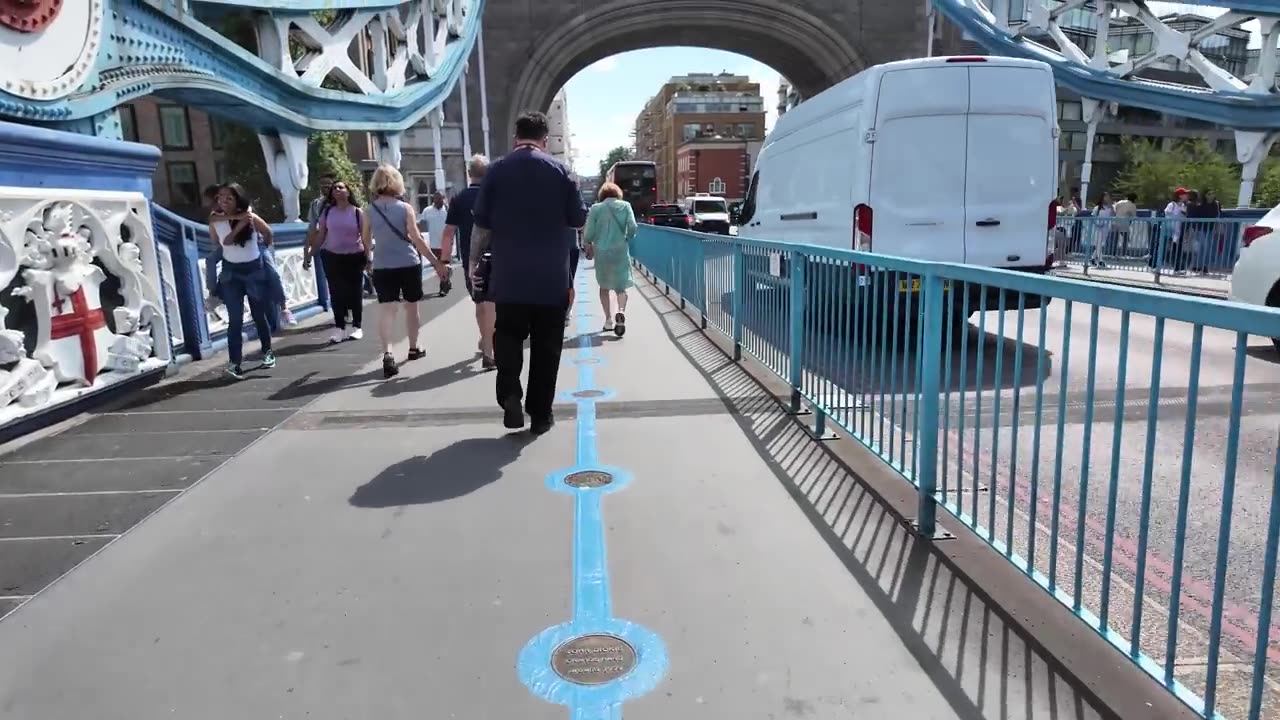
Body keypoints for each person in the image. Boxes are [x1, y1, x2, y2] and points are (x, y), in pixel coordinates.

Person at [470, 111, 588, 435]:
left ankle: (510, 392)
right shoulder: (562, 172)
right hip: (552, 278)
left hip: (509, 276)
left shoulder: (496, 171)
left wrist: (472, 267)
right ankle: (540, 414)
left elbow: (481, 225)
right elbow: (578, 220)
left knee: (507, 336)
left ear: (516, 138)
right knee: (547, 347)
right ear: (545, 140)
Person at [366, 164, 448, 378]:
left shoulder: (369, 210)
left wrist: (368, 262)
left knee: (387, 310)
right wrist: (435, 262)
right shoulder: (405, 208)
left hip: (382, 265)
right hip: (407, 263)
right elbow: (416, 238)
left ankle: (387, 353)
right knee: (412, 307)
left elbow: (365, 241)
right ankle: (413, 347)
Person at [209, 183, 277, 379]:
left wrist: (264, 249)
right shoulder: (215, 218)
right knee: (235, 320)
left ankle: (267, 351)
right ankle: (235, 363)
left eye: (229, 198)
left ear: (238, 199)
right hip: (231, 273)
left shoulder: (252, 219)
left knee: (258, 314)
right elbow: (215, 240)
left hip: (254, 270)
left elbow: (268, 233)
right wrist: (238, 219)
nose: (223, 200)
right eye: (220, 197)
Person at [442, 154, 496, 368]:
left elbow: (448, 232)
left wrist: (444, 261)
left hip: (470, 259)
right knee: (493, 303)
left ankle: (485, 339)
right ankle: (489, 347)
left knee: (479, 301)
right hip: (495, 254)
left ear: (469, 174)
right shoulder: (495, 196)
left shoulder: (459, 198)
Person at [303, 180, 369, 344]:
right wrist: (310, 254)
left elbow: (366, 236)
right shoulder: (327, 212)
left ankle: (356, 326)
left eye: (341, 187)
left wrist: (370, 258)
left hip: (355, 256)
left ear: (348, 191)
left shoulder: (357, 212)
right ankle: (340, 327)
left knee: (355, 292)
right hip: (332, 256)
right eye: (335, 188)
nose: (337, 190)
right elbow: (320, 235)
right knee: (336, 292)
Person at [583, 181, 638, 336]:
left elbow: (589, 232)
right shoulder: (625, 206)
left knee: (604, 287)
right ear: (617, 194)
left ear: (602, 195)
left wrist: (588, 243)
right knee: (621, 286)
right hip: (620, 249)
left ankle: (608, 320)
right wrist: (627, 237)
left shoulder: (596, 208)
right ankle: (620, 311)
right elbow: (633, 227)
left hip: (602, 251)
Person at [420, 191, 452, 295]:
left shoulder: (448, 210)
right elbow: (422, 226)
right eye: (437, 198)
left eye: (441, 198)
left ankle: (443, 287)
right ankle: (446, 281)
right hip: (432, 244)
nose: (439, 200)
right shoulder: (427, 211)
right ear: (433, 199)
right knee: (438, 267)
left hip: (445, 244)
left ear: (444, 199)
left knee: (445, 266)